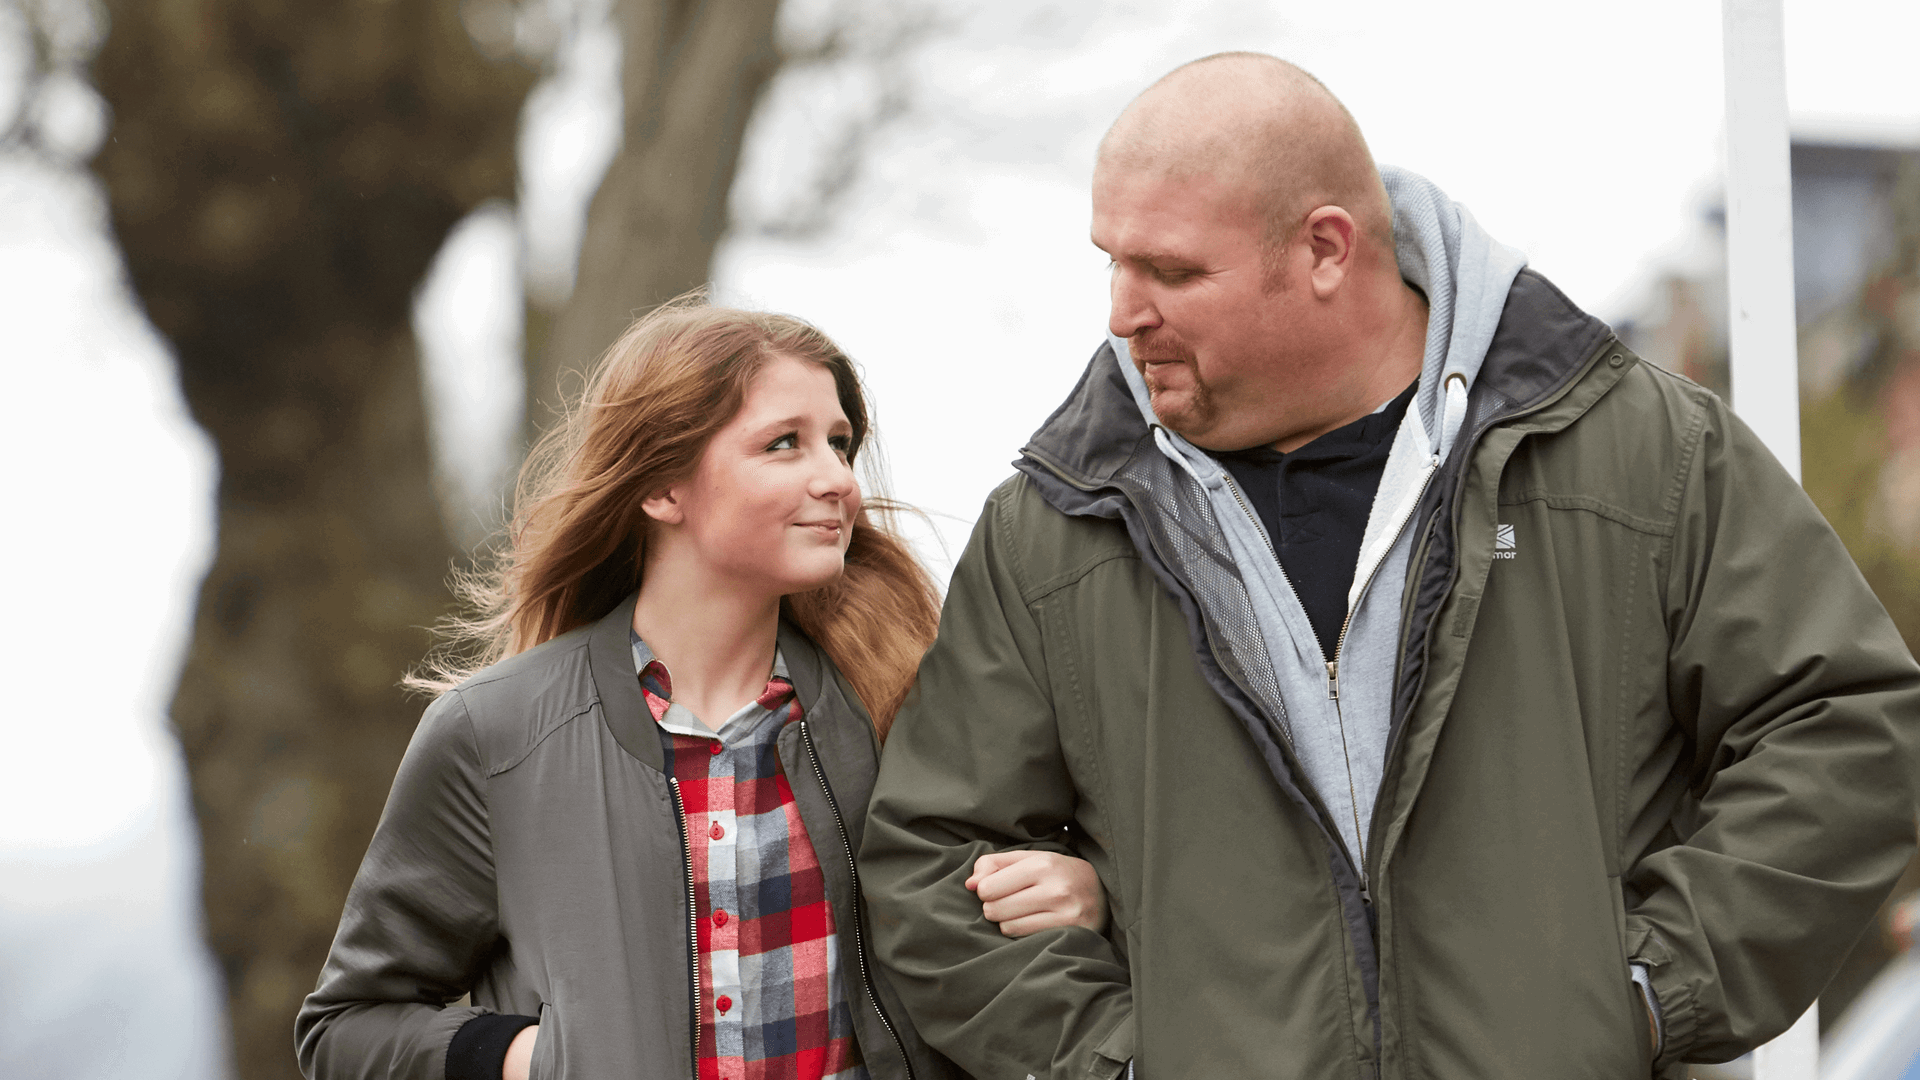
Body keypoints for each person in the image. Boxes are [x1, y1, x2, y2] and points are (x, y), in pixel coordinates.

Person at [858, 52, 1920, 1079]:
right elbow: (932, 865)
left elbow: (1847, 723)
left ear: (1326, 249)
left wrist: (1645, 993)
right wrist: (1117, 1064)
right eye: (1113, 261)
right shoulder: (1053, 525)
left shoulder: (1642, 453)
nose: (1122, 312)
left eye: (1173, 272)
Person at [295, 301, 1106, 1080]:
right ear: (663, 490)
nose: (838, 480)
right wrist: (529, 1061)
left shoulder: (905, 703)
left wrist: (1084, 891)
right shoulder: (496, 733)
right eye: (784, 444)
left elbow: (1035, 907)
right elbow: (348, 1027)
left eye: (839, 444)